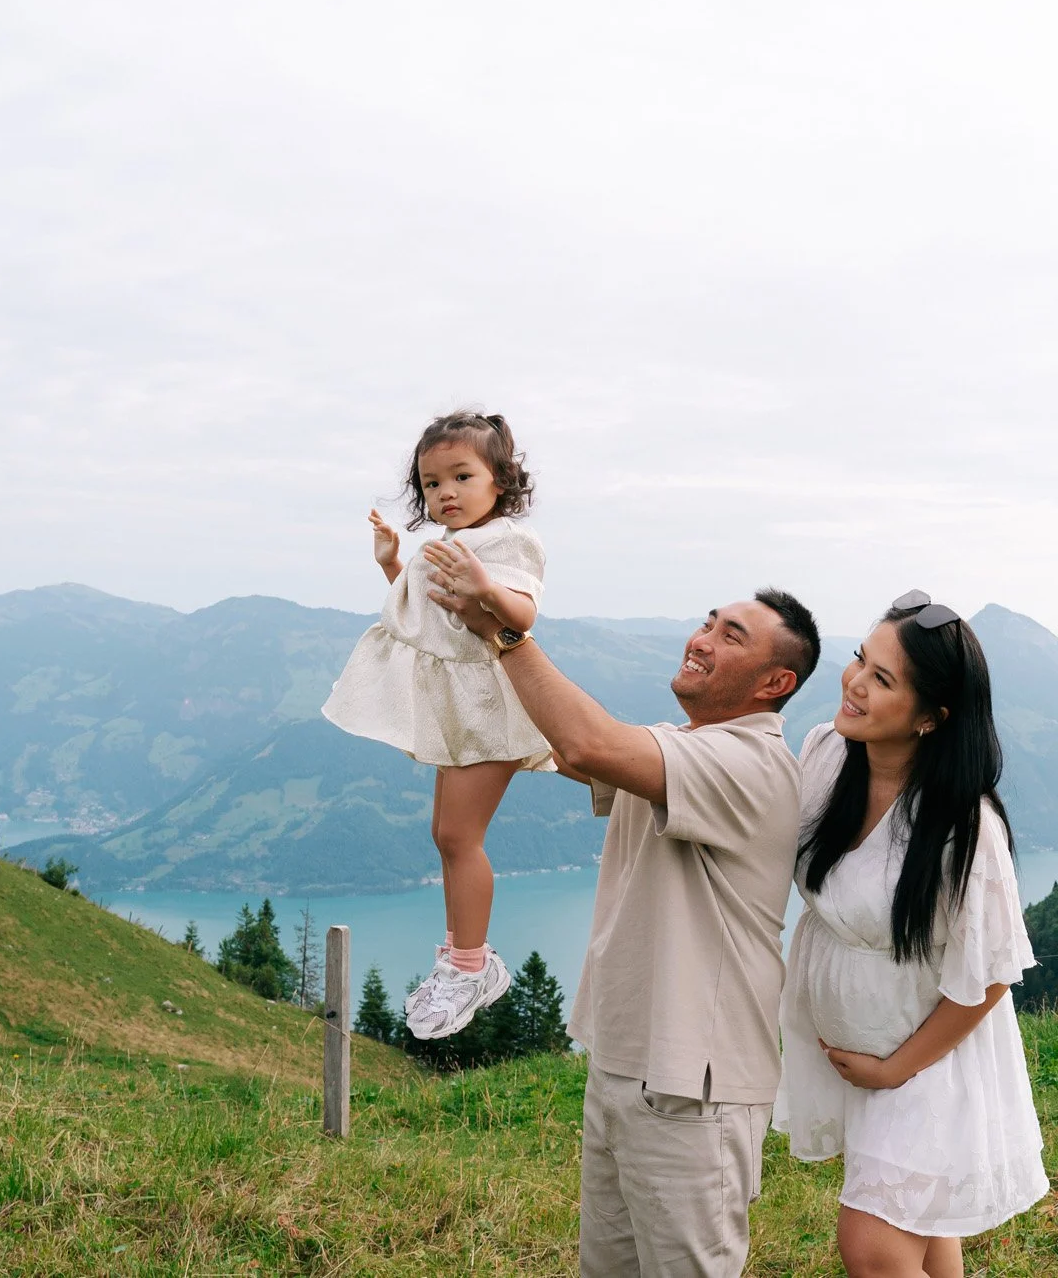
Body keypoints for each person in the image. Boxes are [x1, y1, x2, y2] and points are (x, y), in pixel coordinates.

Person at [429, 578, 820, 1278]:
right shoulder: (678, 748)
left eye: (731, 635)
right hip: (623, 1065)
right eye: (708, 622)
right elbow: (562, 737)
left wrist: (505, 632)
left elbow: (585, 744)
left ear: (775, 681)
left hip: (694, 1089)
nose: (700, 639)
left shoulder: (752, 764)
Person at [773, 591, 1048, 1278]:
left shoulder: (963, 826)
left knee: (873, 1246)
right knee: (923, 1231)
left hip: (927, 1058)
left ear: (931, 717)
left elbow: (989, 974)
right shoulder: (827, 752)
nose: (855, 681)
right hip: (860, 1043)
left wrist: (897, 1066)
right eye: (862, 657)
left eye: (883, 678)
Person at [320, 409, 551, 1039]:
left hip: (492, 707)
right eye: (430, 483)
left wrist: (487, 588)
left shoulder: (507, 542)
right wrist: (394, 565)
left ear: (499, 481)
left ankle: (473, 967)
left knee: (458, 838)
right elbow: (431, 618)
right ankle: (460, 958)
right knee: (446, 834)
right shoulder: (445, 547)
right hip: (463, 710)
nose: (444, 493)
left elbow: (522, 613)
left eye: (461, 476)